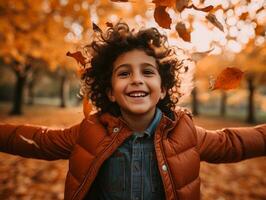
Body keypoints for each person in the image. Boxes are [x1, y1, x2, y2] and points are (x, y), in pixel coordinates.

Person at [0, 22, 265, 200]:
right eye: (124, 73)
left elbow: (233, 143)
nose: (136, 79)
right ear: (110, 91)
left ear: (163, 89)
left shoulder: (186, 134)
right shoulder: (89, 132)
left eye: (147, 72)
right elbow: (39, 140)